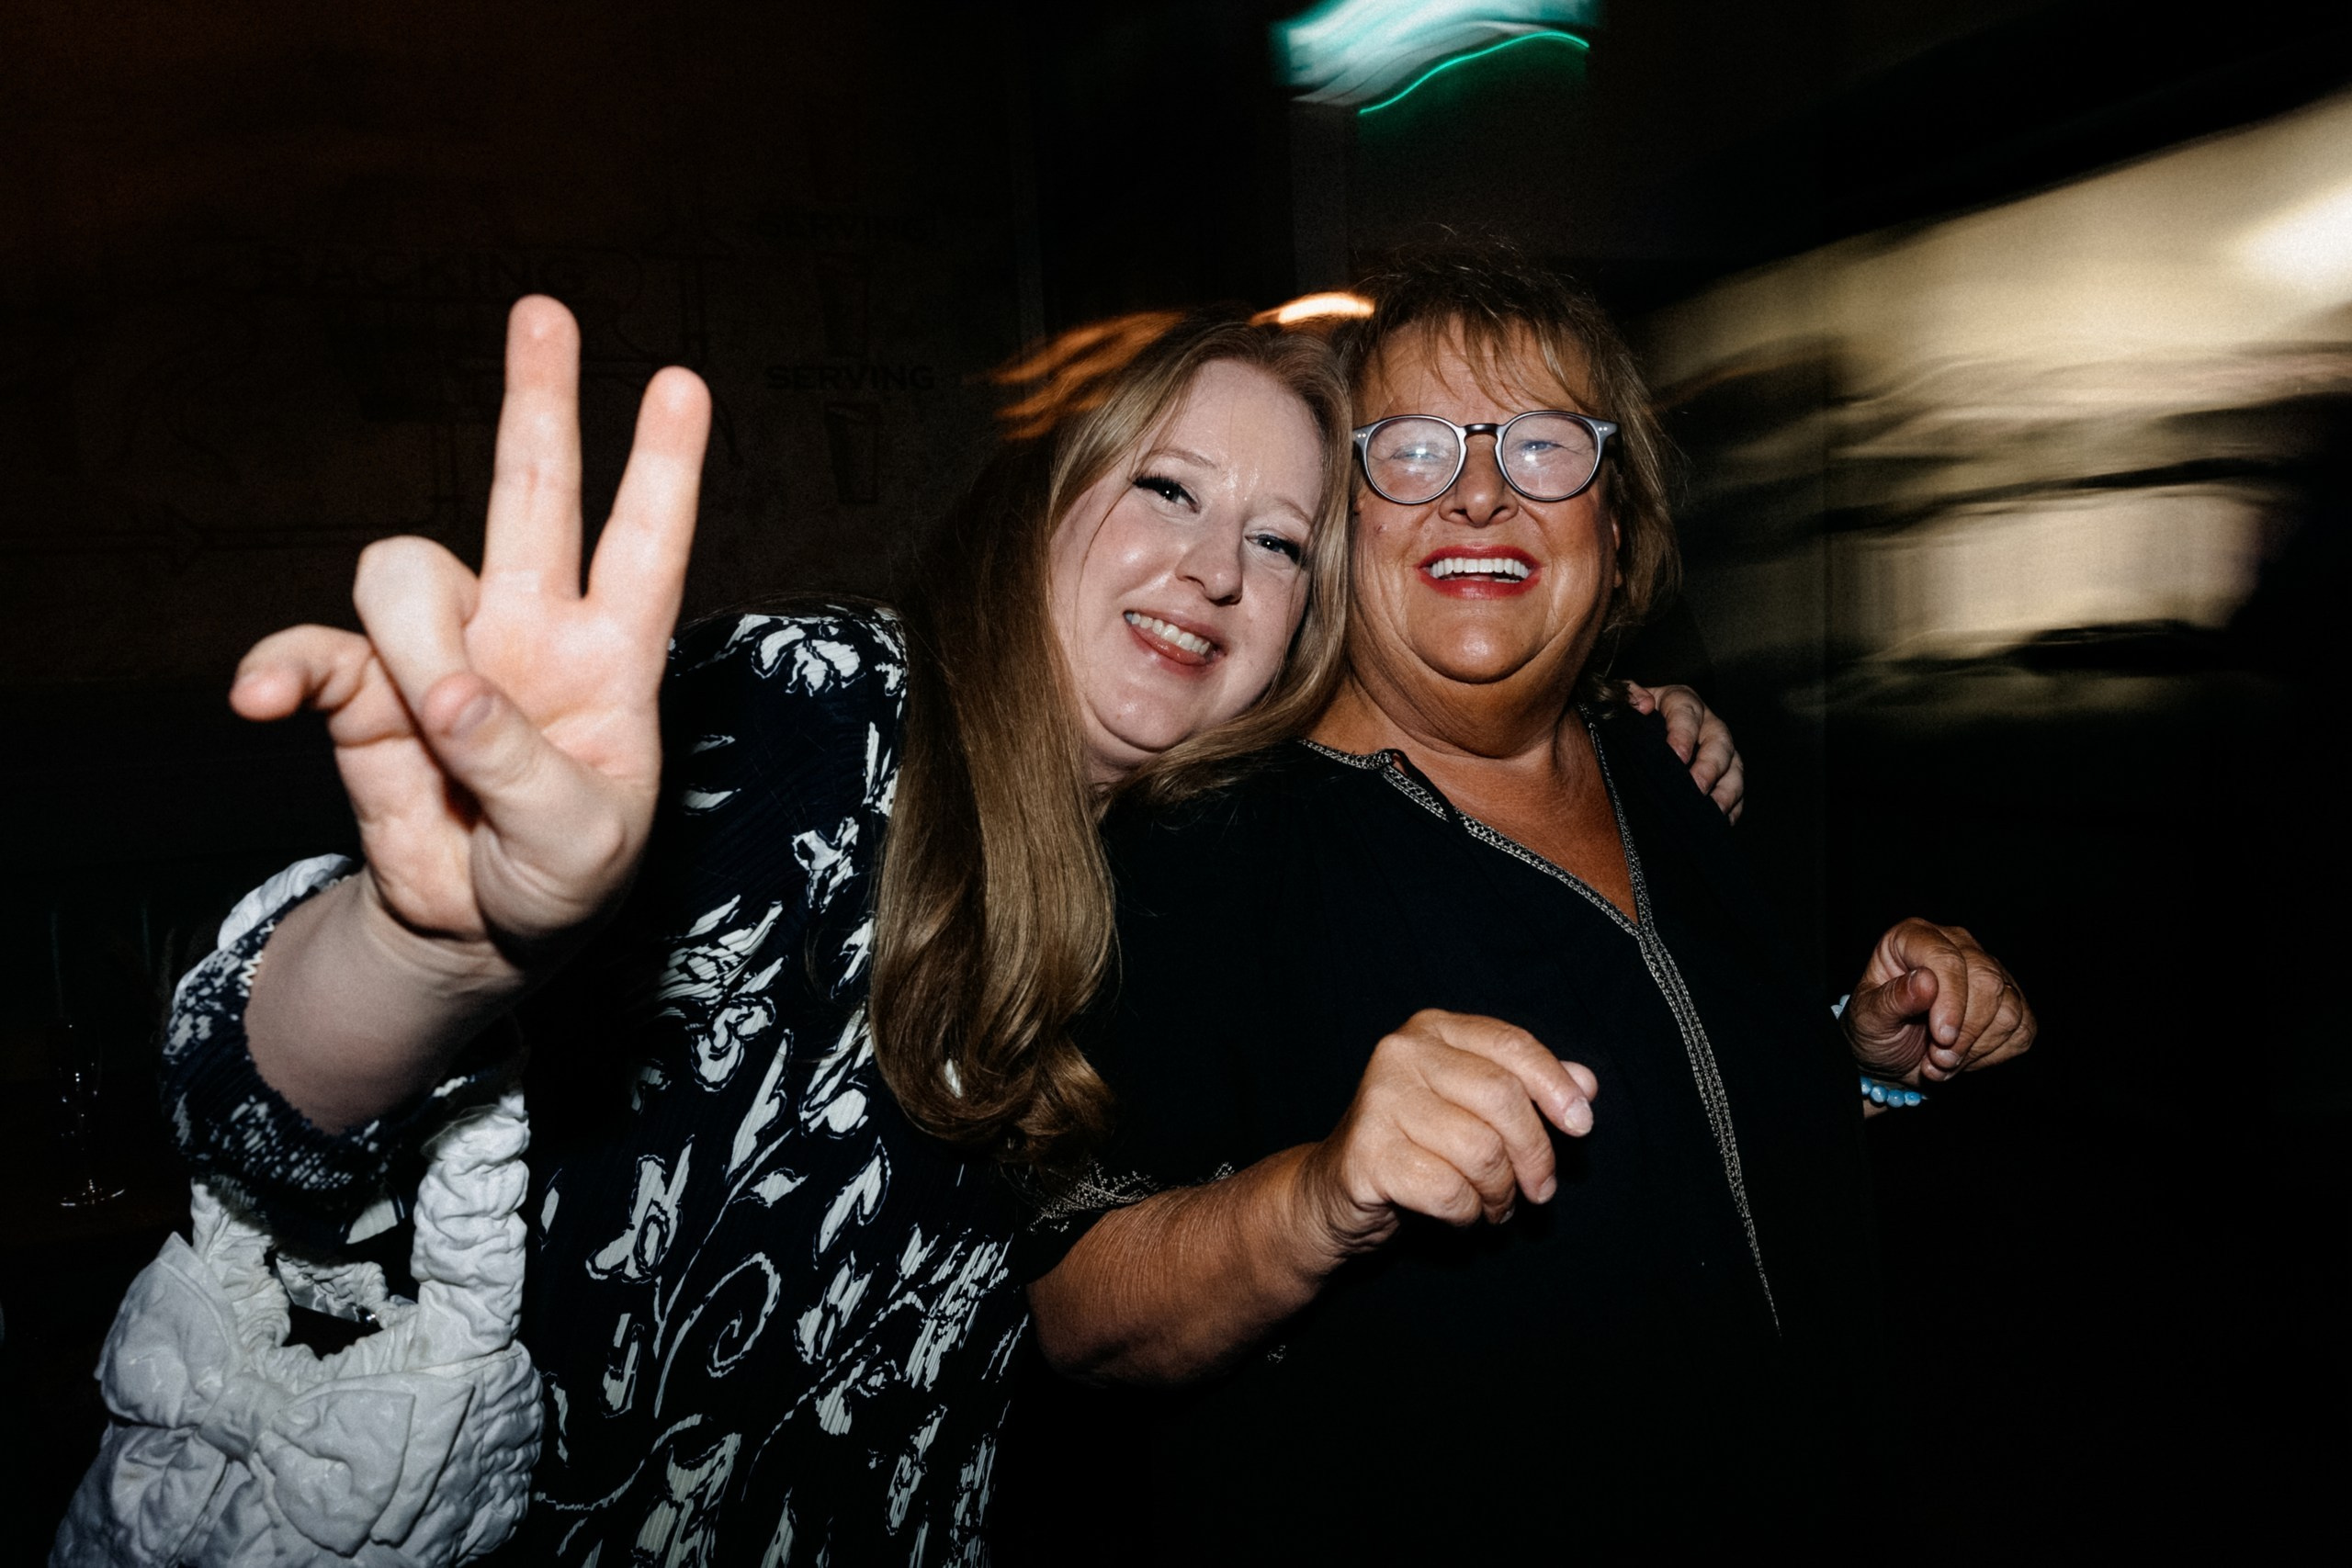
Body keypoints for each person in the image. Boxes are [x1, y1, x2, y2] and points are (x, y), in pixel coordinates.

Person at [152, 294, 1744, 1562]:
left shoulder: (1161, 868)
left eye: (1279, 547)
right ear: (1040, 507)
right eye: (1170, 490)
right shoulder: (817, 714)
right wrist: (434, 953)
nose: (1211, 571)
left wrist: (1607, 714)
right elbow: (246, 1102)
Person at [1015, 250, 2038, 1558]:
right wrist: (1323, 1195)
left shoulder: (1670, 771)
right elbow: (1078, 1312)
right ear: (1341, 527)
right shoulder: (1211, 844)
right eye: (1418, 451)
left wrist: (1857, 1059)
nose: (1483, 495)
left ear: (1616, 536)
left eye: (1547, 448)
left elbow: (1676, 1127)